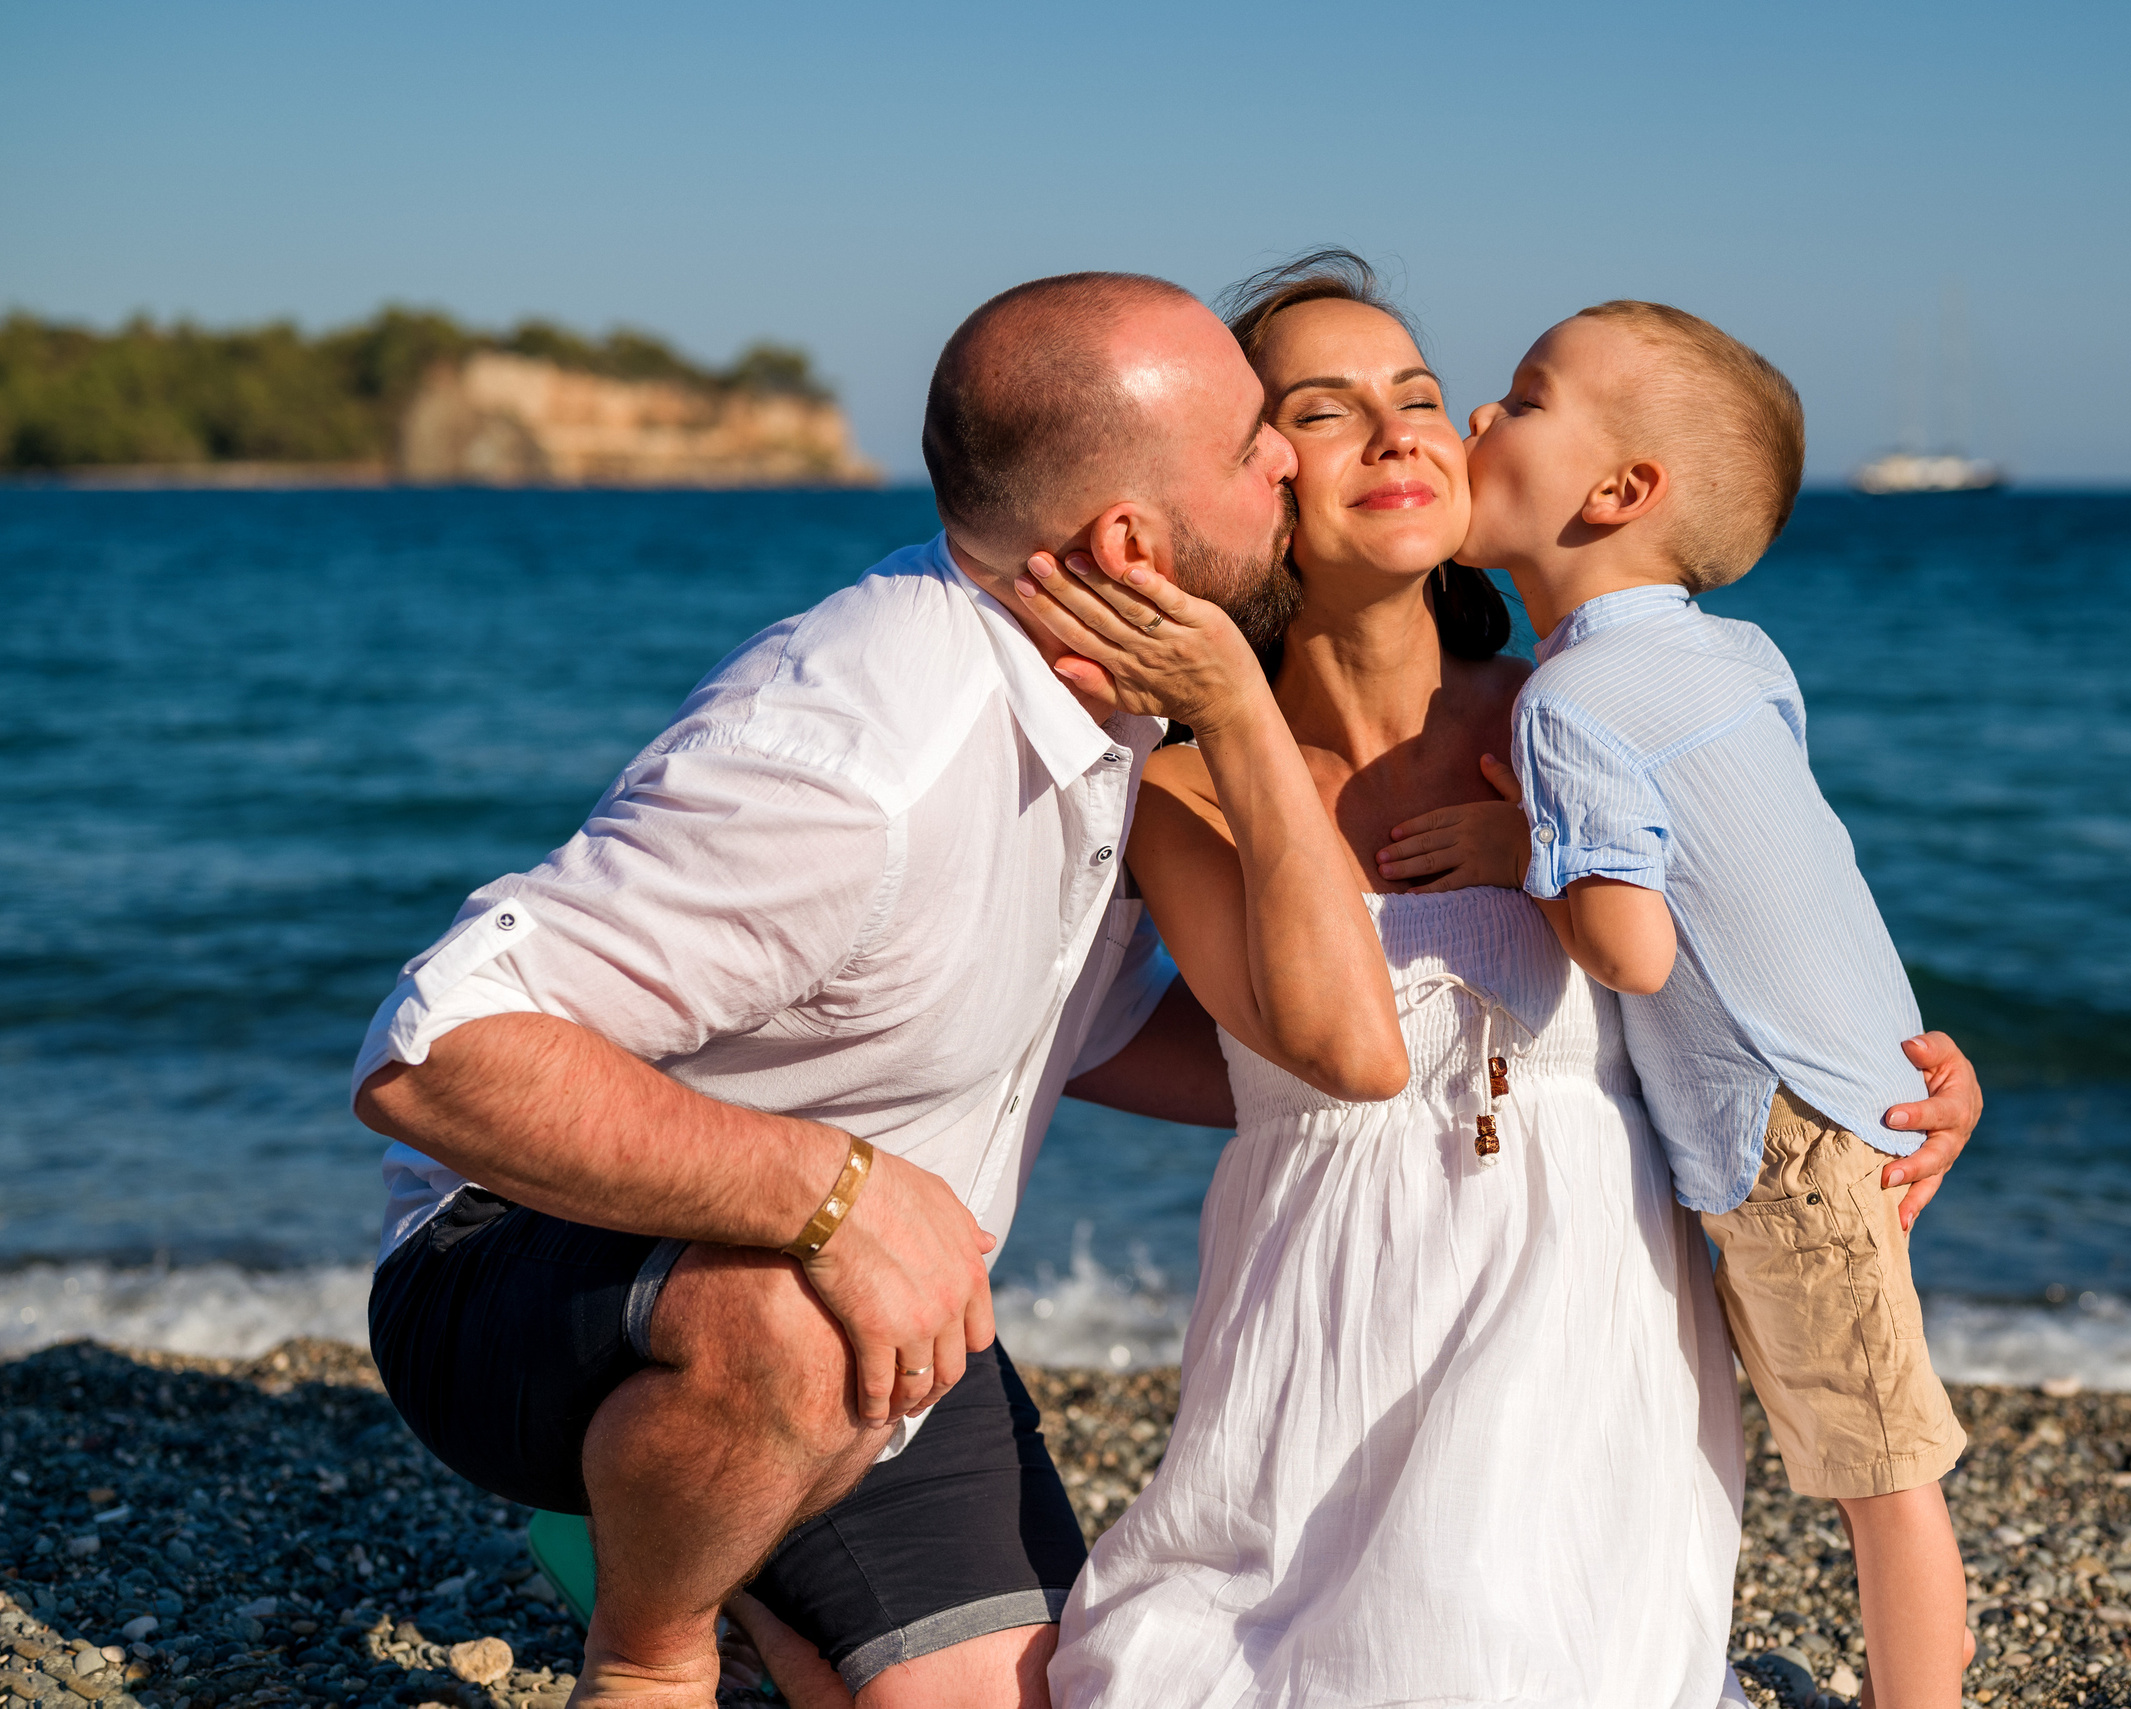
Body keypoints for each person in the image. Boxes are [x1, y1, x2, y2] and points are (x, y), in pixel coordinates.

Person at [349, 271, 1410, 1709]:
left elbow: (1111, 1029)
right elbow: (433, 1052)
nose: (1287, 454)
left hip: (886, 1329)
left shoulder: (1116, 702)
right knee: (783, 1329)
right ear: (1127, 542)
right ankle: (652, 1647)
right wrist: (829, 1188)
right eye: (1249, 447)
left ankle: (694, 1516)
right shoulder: (859, 760)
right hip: (525, 1270)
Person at [1042, 253, 1986, 1707]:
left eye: (1419, 394)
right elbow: (1319, 1045)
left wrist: (1910, 1070)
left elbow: (1774, 918)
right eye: (1328, 409)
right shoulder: (1182, 795)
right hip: (1325, 1333)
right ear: (1253, 480)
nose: (1408, 426)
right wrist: (1231, 706)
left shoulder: (1566, 719)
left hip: (1577, 1314)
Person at [1461, 299, 1976, 1706]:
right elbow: (1802, 869)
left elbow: (1627, 947)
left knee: (1881, 1466)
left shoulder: (1568, 705)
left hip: (1782, 1123)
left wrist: (1528, 852)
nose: (1481, 416)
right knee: (1862, 1441)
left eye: (1526, 393)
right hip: (1848, 1083)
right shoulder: (1738, 656)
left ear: (1622, 492)